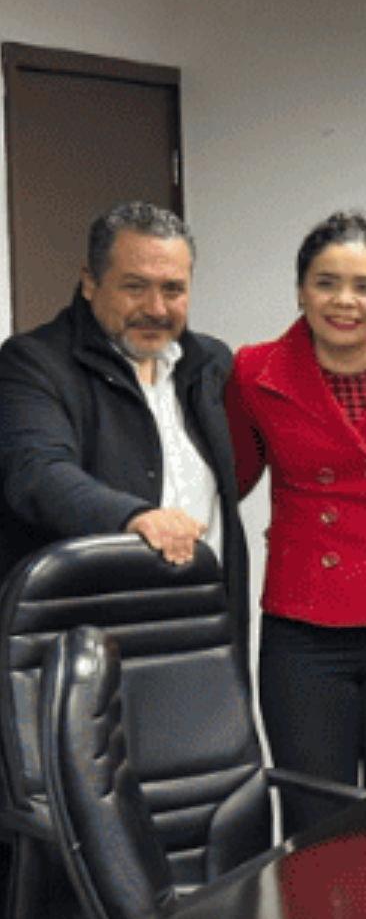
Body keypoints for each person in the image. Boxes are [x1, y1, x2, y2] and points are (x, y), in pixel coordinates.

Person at [225, 211, 366, 836]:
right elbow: (232, 479)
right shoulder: (254, 372)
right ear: (300, 290)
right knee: (314, 823)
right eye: (327, 283)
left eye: (364, 286)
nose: (344, 301)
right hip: (305, 631)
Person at [0, 201, 247, 626]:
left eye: (173, 289)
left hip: (207, 627)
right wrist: (134, 517)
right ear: (90, 282)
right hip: (95, 634)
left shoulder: (211, 362)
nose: (156, 308)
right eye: (135, 287)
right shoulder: (33, 362)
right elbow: (36, 471)